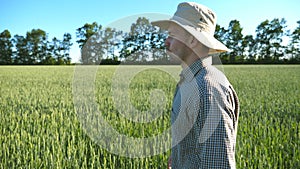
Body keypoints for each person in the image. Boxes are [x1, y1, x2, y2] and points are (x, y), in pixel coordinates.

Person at [151, 2, 239, 168]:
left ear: (192, 40)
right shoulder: (191, 81)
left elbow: (218, 165)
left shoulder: (208, 91)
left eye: (171, 35)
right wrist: (179, 157)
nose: (166, 41)